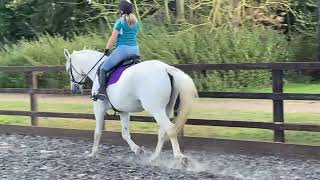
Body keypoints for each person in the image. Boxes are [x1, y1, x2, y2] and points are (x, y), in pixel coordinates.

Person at [92, 0, 140, 101]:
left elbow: (113, 38)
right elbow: (132, 36)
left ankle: (102, 92)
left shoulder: (120, 22)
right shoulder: (136, 22)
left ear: (121, 11)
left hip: (123, 50)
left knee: (103, 69)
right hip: (135, 50)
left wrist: (107, 49)